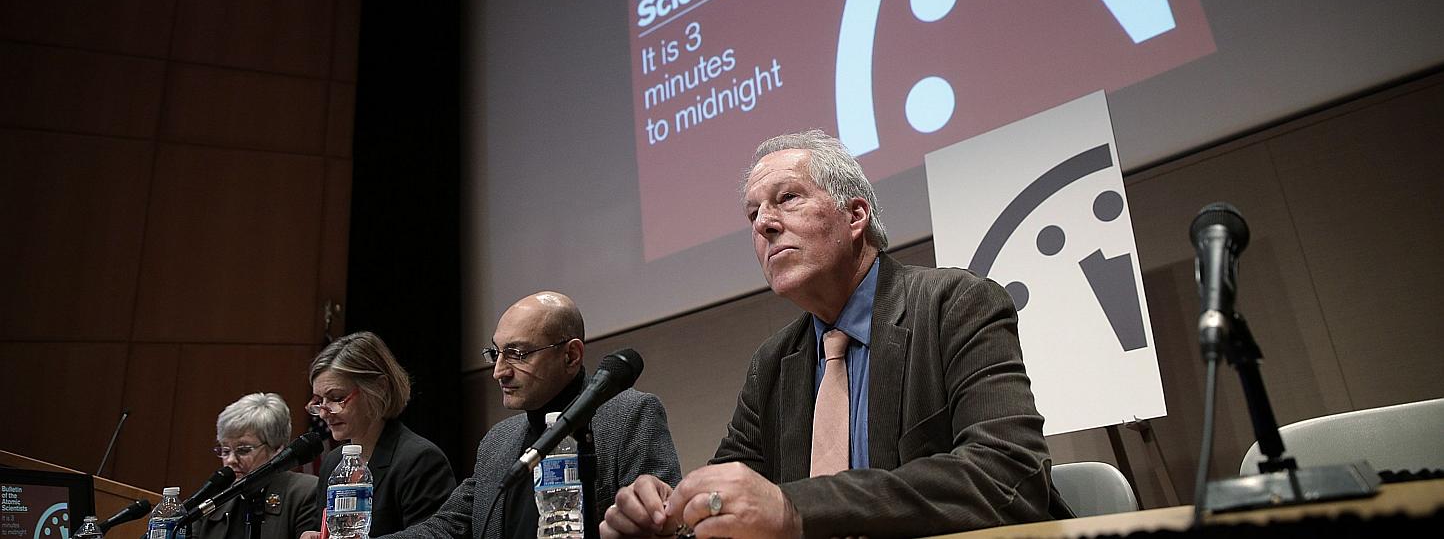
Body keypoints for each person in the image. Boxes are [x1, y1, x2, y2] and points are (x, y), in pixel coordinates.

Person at [604, 130, 1072, 539]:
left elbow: (1009, 475)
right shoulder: (772, 362)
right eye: (753, 215)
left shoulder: (954, 304)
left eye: (787, 198)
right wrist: (676, 513)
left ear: (855, 216)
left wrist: (798, 510)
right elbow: (733, 491)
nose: (763, 224)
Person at [377, 291, 681, 539]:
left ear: (571, 356)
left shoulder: (628, 415)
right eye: (496, 353)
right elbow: (445, 528)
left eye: (518, 354)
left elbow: (661, 522)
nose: (499, 372)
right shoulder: (498, 441)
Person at [304, 332, 456, 538]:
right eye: (319, 401)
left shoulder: (420, 460)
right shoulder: (333, 462)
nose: (324, 412)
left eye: (336, 398)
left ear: (380, 388)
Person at [194, 392, 319, 539]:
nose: (230, 460)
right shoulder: (213, 496)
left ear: (277, 449)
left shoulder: (305, 492)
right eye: (225, 450)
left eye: (243, 450)